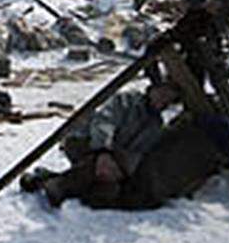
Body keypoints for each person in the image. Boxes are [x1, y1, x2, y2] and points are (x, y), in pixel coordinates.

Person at [20, 81, 181, 208]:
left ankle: (44, 179)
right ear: (152, 89)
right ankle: (58, 186)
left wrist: (121, 170)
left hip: (114, 157)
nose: (163, 99)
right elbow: (103, 123)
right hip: (84, 140)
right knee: (94, 166)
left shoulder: (156, 125)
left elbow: (138, 153)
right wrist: (103, 152)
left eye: (169, 98)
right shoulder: (127, 100)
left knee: (107, 193)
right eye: (162, 92)